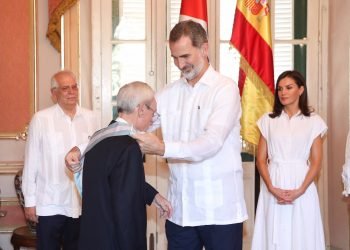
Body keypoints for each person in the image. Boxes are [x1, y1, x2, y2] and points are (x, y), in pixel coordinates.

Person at [132, 20, 248, 250]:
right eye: (174, 58)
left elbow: (211, 143)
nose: (180, 64)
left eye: (185, 56)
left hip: (220, 212)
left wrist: (163, 148)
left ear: (204, 49)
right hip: (180, 212)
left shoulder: (225, 89)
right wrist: (84, 147)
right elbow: (134, 123)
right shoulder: (168, 93)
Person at [66, 81, 172, 250]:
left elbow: (114, 183)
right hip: (116, 241)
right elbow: (126, 210)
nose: (154, 118)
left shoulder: (97, 139)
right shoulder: (129, 147)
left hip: (94, 237)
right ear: (141, 109)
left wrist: (153, 196)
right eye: (154, 112)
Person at [22, 70, 100, 249]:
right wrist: (30, 202)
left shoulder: (92, 118)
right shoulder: (41, 119)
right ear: (53, 93)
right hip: (50, 203)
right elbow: (31, 162)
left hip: (82, 203)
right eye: (65, 88)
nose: (72, 92)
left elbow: (97, 158)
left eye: (74, 87)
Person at [251, 70, 327, 250]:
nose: (283, 92)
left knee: (303, 231)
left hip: (303, 184)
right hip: (274, 182)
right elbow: (261, 160)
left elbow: (316, 162)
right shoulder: (268, 120)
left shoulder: (314, 121)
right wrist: (271, 187)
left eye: (289, 87)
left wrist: (300, 190)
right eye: (279, 89)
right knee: (272, 230)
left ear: (301, 90)